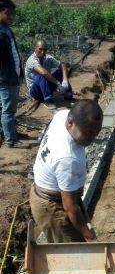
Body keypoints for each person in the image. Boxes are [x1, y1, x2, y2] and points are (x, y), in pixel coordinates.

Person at [30, 99, 103, 243]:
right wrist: (88, 235)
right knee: (74, 252)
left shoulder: (62, 115)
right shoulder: (67, 158)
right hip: (51, 206)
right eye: (88, 133)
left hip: (46, 192)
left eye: (96, 133)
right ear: (70, 122)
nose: (93, 138)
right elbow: (70, 206)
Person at [0, 0, 23, 148]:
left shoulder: (6, 29)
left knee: (12, 108)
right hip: (6, 78)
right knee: (8, 110)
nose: (11, 18)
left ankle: (13, 133)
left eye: (12, 14)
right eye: (9, 14)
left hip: (13, 76)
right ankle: (11, 141)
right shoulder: (0, 33)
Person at [25, 40, 73, 107]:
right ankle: (48, 100)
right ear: (35, 48)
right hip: (35, 91)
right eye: (40, 49)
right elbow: (43, 73)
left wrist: (64, 80)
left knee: (60, 71)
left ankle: (68, 94)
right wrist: (58, 83)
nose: (42, 52)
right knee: (41, 75)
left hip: (46, 86)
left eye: (44, 50)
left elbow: (62, 65)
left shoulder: (48, 58)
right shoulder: (32, 60)